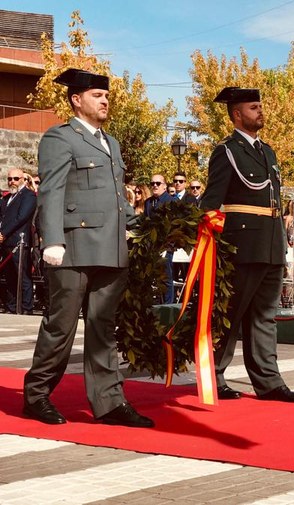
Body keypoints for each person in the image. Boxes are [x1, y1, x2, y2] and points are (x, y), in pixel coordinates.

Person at [23, 68, 153, 427]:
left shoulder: (111, 143)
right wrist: (52, 239)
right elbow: (51, 191)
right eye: (97, 95)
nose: (105, 100)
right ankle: (36, 395)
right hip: (75, 248)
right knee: (60, 328)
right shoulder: (60, 138)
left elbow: (117, 200)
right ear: (76, 100)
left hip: (110, 249)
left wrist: (149, 227)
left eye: (106, 96)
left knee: (102, 328)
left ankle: (109, 402)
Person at [200, 86, 294, 403]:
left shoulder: (268, 152)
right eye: (253, 107)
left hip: (272, 241)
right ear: (236, 114)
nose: (260, 111)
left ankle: (269, 382)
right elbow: (211, 203)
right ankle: (214, 375)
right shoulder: (227, 151)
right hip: (241, 243)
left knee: (264, 315)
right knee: (232, 312)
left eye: (260, 105)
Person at [0, 167, 37, 314]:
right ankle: (11, 306)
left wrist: (3, 233)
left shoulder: (29, 196)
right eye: (9, 179)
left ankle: (26, 308)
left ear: (23, 179)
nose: (12, 182)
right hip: (6, 242)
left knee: (23, 276)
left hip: (18, 242)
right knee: (9, 276)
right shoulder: (6, 198)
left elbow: (21, 217)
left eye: (15, 179)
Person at [145, 174, 175, 304]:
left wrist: (168, 245)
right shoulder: (148, 202)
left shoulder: (171, 201)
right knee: (151, 277)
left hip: (166, 246)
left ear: (164, 186)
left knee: (166, 278)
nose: (154, 186)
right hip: (150, 245)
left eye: (158, 183)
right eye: (152, 184)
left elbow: (175, 225)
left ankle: (168, 306)